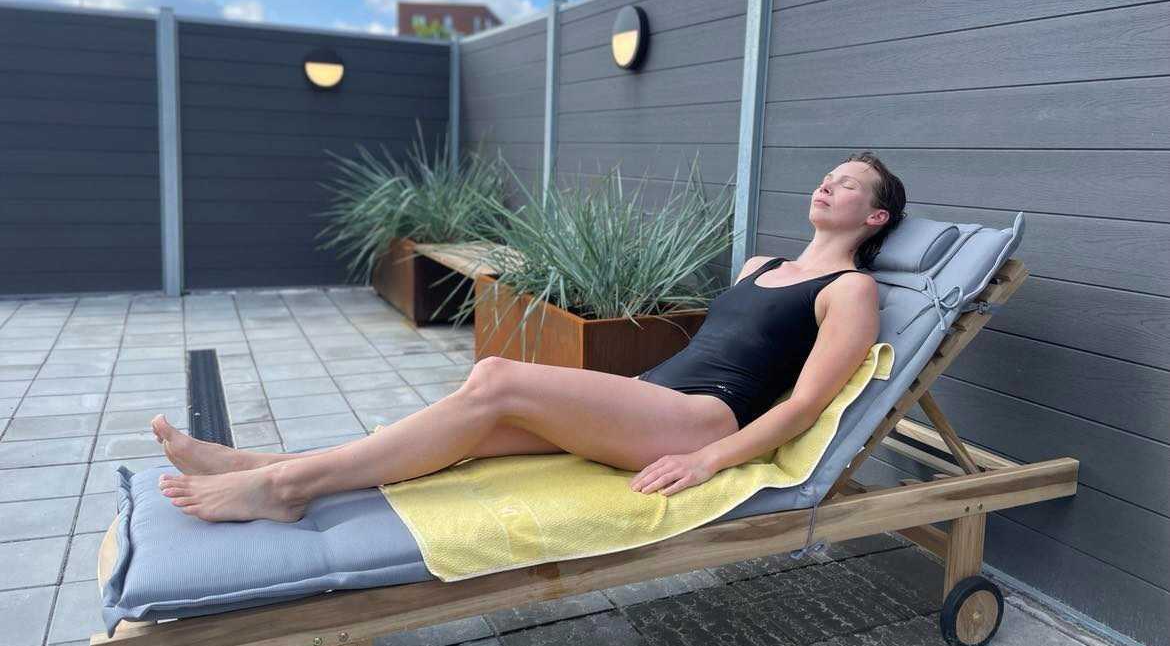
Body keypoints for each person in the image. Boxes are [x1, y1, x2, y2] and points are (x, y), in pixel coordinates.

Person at [152, 151, 906, 523]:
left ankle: (285, 489)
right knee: (474, 427)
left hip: (701, 420)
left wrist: (707, 459)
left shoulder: (851, 290)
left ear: (874, 218)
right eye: (829, 175)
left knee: (496, 377)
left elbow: (804, 405)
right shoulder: (759, 265)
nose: (828, 184)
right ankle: (266, 465)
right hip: (652, 399)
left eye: (848, 184)